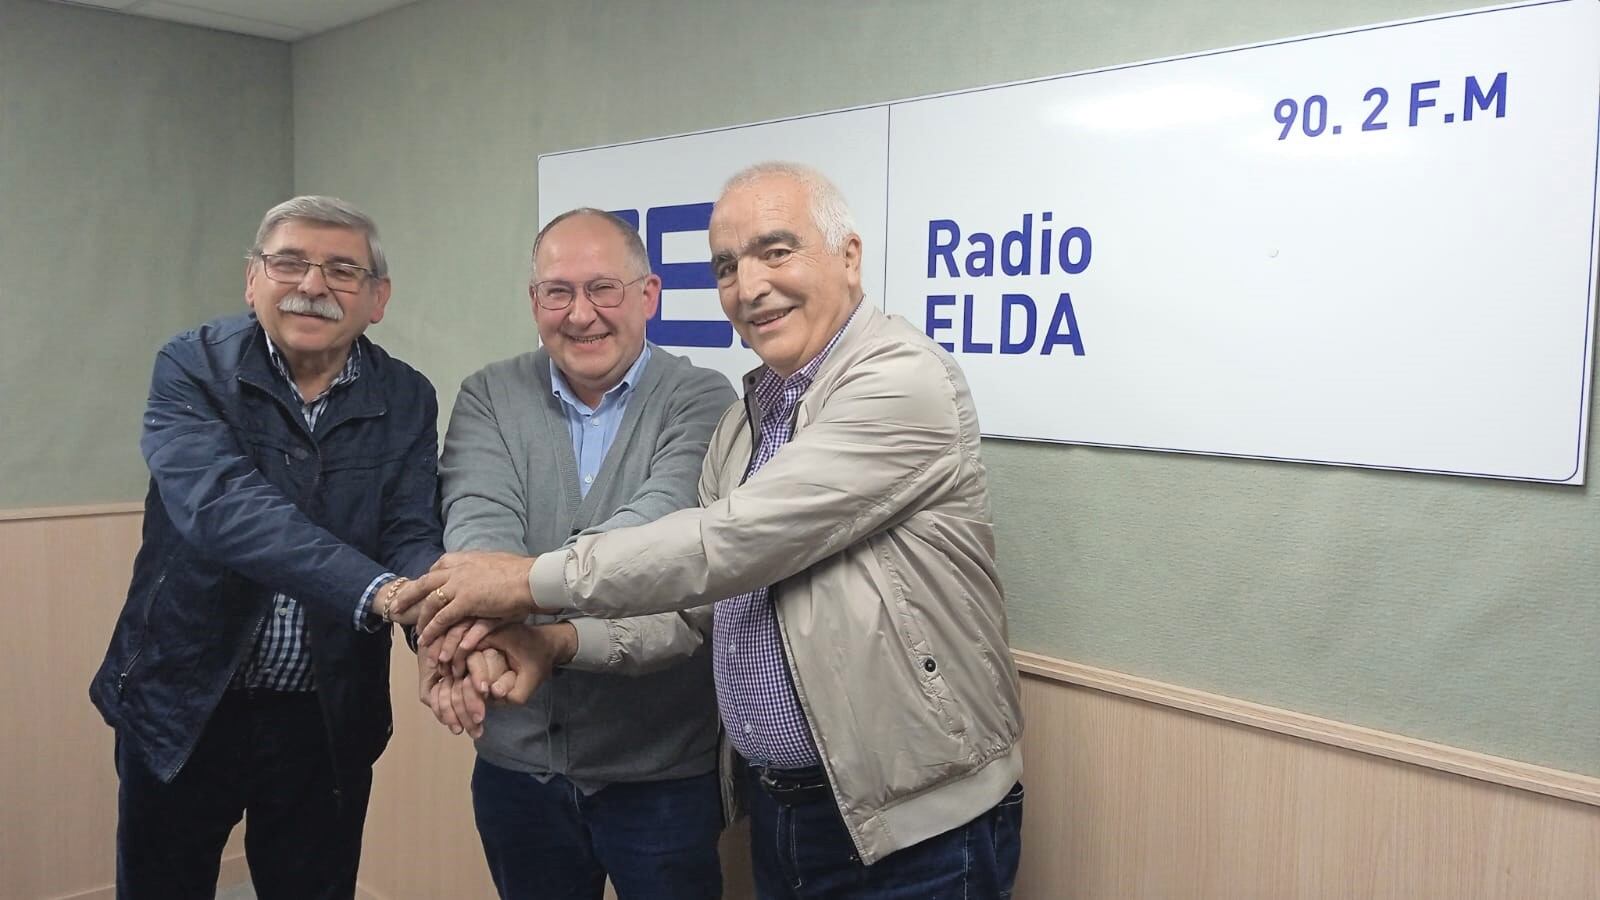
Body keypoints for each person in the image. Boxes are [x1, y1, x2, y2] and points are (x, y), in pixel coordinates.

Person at [405, 162, 1025, 897]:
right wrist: (554, 642)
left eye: (776, 251)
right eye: (728, 266)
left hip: (912, 824)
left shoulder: (900, 379)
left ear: (850, 257)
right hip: (782, 809)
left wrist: (521, 582)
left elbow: (727, 542)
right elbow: (691, 615)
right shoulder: (747, 421)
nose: (750, 285)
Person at [89, 196, 443, 900]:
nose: (312, 285)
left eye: (343, 270)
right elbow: (225, 511)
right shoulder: (191, 367)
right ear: (253, 280)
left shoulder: (406, 395)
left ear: (378, 299)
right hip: (183, 705)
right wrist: (382, 594)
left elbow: (410, 529)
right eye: (289, 262)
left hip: (324, 716)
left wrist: (442, 617)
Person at [420, 208, 735, 899]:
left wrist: (512, 605)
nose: (581, 313)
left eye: (604, 289)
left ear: (649, 295)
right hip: (517, 765)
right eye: (558, 292)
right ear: (535, 302)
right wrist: (481, 636)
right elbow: (478, 528)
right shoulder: (491, 395)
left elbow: (652, 540)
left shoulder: (704, 401)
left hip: (660, 772)